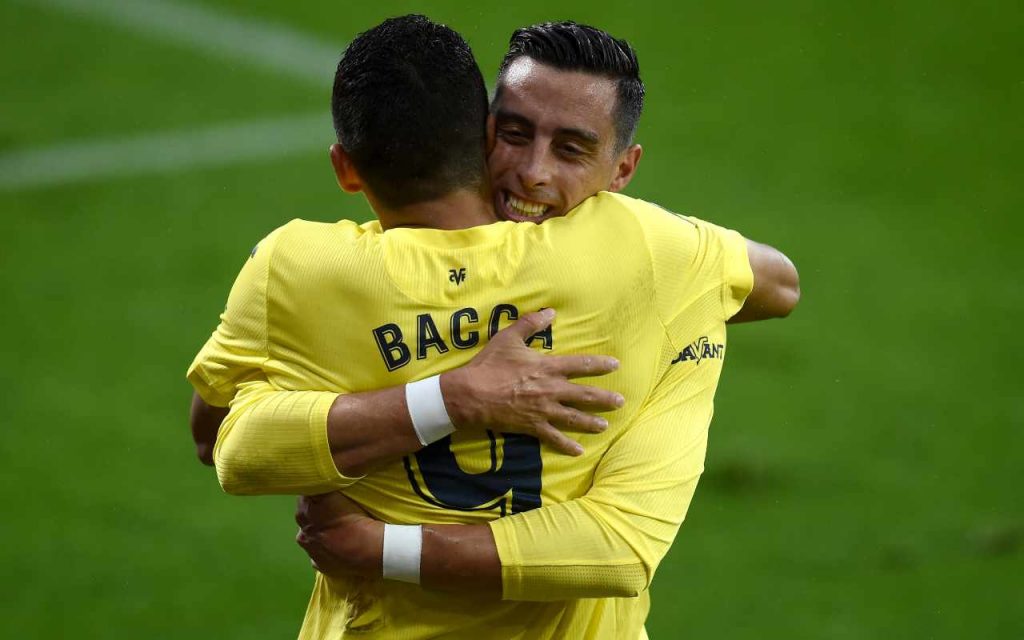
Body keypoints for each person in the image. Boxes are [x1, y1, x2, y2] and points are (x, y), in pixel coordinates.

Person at [187, 16, 798, 640]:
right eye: (514, 134)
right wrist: (455, 397)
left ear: (622, 170)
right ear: (479, 133)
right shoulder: (652, 254)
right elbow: (780, 284)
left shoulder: (310, 270)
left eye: (570, 149)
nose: (533, 172)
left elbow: (220, 439)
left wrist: (379, 546)